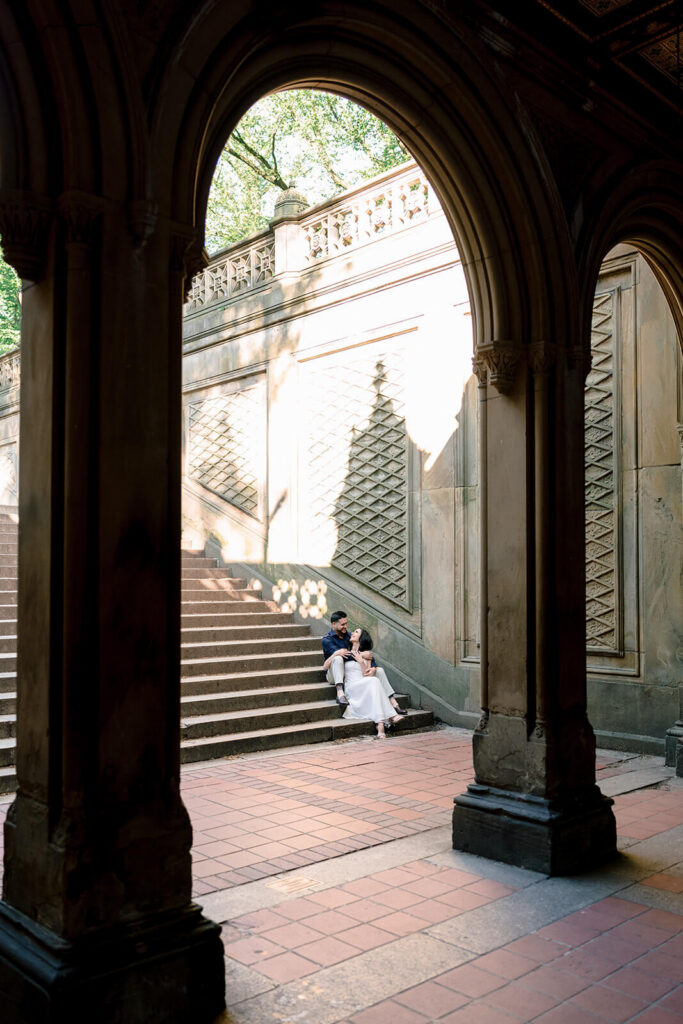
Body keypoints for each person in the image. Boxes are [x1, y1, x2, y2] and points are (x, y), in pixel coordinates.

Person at [323, 627, 407, 738]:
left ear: (361, 638)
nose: (352, 633)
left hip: (363, 684)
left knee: (374, 680)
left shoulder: (367, 655)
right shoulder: (345, 653)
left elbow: (366, 674)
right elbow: (326, 666)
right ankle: (392, 715)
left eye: (356, 632)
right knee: (374, 681)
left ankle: (380, 725)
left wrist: (361, 660)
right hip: (351, 687)